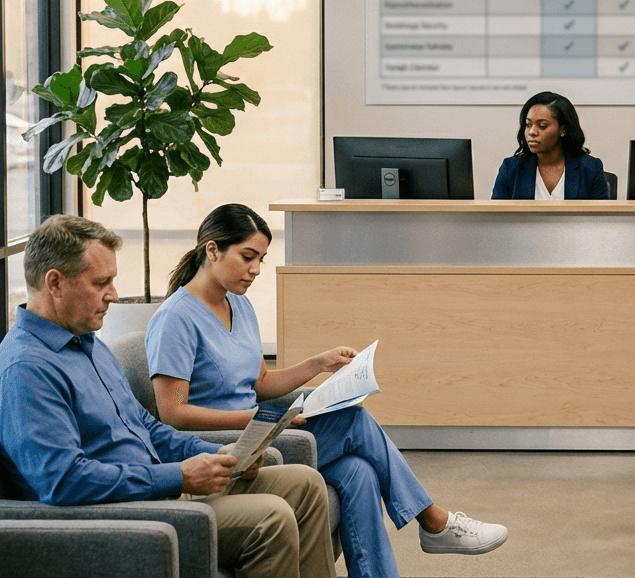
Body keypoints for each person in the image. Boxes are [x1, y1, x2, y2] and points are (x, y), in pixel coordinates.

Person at [145, 203, 508, 578]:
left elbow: (261, 384)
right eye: (247, 257)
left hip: (260, 430)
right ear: (212, 250)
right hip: (229, 443)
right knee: (352, 420)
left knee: (359, 472)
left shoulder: (240, 304)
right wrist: (256, 419)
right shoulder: (175, 319)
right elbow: (173, 412)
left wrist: (317, 364)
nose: (255, 270)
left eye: (261, 260)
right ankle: (433, 520)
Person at [0, 214, 335, 578]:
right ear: (55, 283)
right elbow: (64, 481)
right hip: (122, 515)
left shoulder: (87, 345)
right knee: (271, 518)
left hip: (158, 491)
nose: (114, 295)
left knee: (305, 484)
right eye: (102, 282)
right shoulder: (25, 370)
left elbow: (146, 426)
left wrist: (214, 455)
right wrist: (176, 477)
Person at [491, 91, 610, 199]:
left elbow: (601, 220)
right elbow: (496, 218)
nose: (532, 132)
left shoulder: (590, 168)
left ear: (562, 129)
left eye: (542, 126)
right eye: (528, 124)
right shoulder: (511, 168)